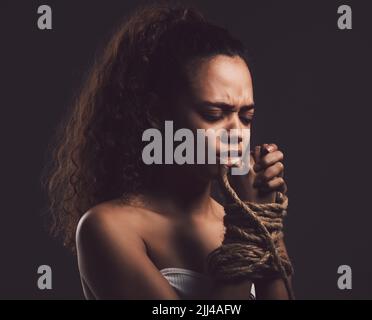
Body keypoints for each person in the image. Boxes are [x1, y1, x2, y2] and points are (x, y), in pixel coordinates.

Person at [44, 3, 292, 300]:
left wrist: (262, 219)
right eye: (214, 114)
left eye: (246, 117)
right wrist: (247, 224)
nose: (237, 134)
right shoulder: (108, 228)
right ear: (157, 114)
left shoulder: (244, 216)